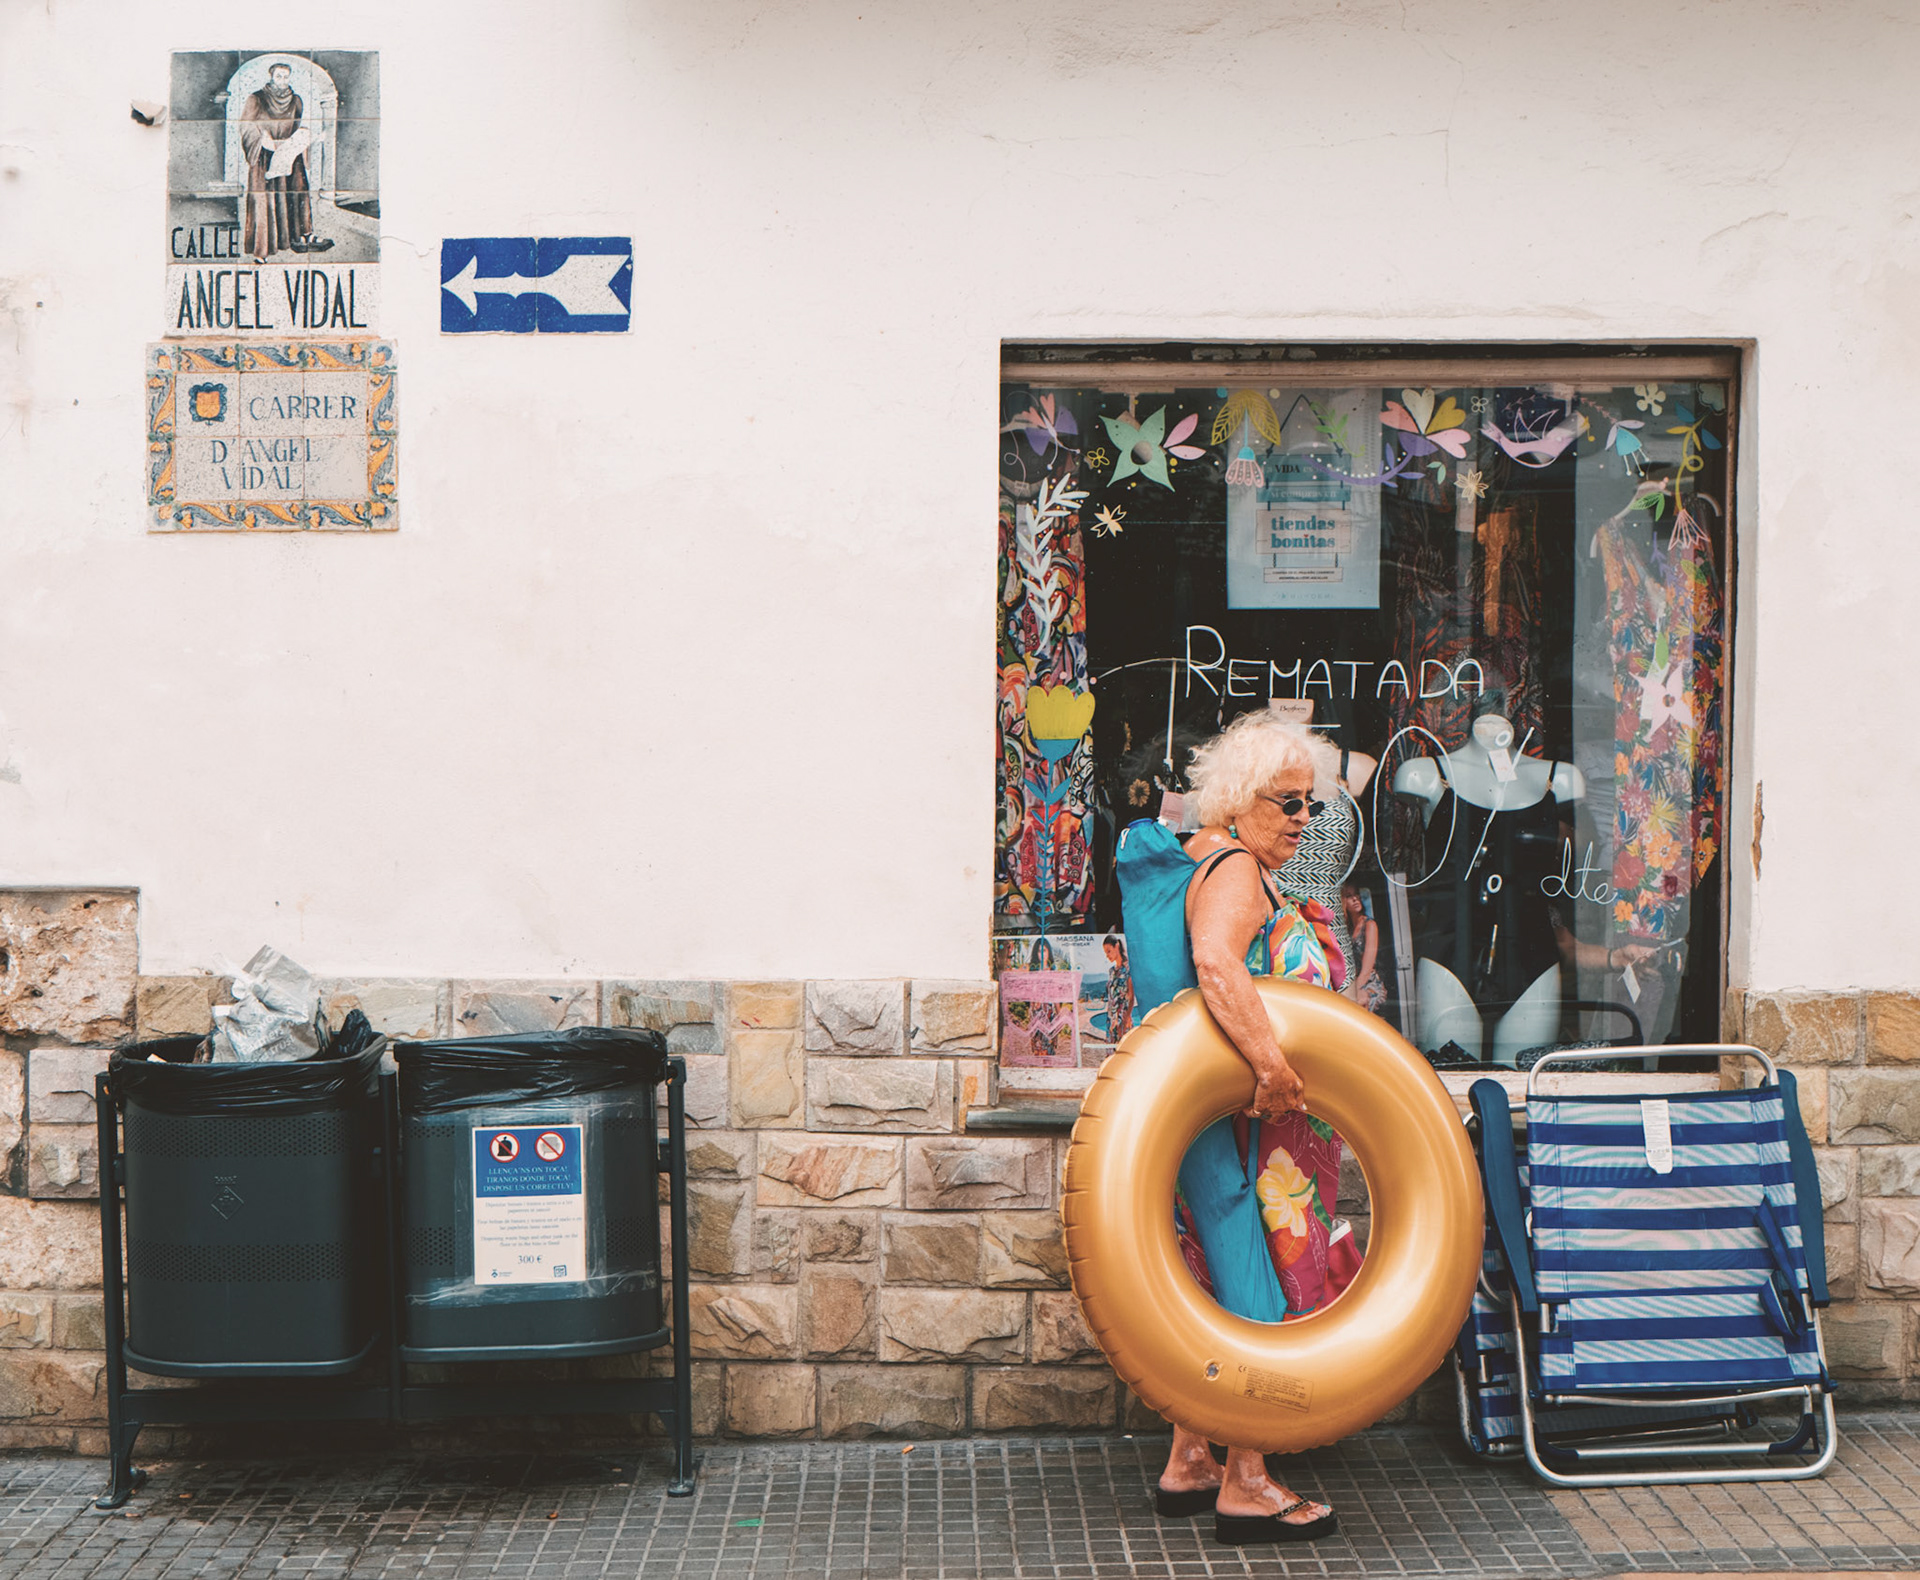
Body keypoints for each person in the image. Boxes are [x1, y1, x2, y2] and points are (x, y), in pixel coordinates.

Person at [1141, 713, 1343, 1544]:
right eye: (1286, 803)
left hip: (1213, 1123)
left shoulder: (1212, 859)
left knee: (1216, 1281)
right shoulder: (1235, 872)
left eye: (1312, 805)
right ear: (1236, 798)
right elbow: (1219, 965)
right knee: (1256, 1291)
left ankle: (1192, 1458)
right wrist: (1271, 1066)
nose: (1303, 820)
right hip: (1242, 1123)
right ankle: (1247, 1481)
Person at [238, 62, 335, 262]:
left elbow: (297, 126)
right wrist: (262, 137)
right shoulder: (256, 99)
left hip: (290, 152)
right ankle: (262, 250)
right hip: (265, 155)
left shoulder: (296, 100)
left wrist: (302, 141)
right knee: (265, 199)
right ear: (271, 77)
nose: (283, 80)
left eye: (286, 76)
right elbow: (246, 125)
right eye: (279, 76)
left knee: (298, 191)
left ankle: (303, 235)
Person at [1341, 882, 1387, 1014]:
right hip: (1354, 982)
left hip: (1370, 983)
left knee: (1357, 1005)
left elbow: (1367, 970)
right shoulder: (1348, 929)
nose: (1355, 898)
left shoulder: (1370, 925)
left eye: (1356, 894)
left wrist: (1352, 991)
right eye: (1349, 896)